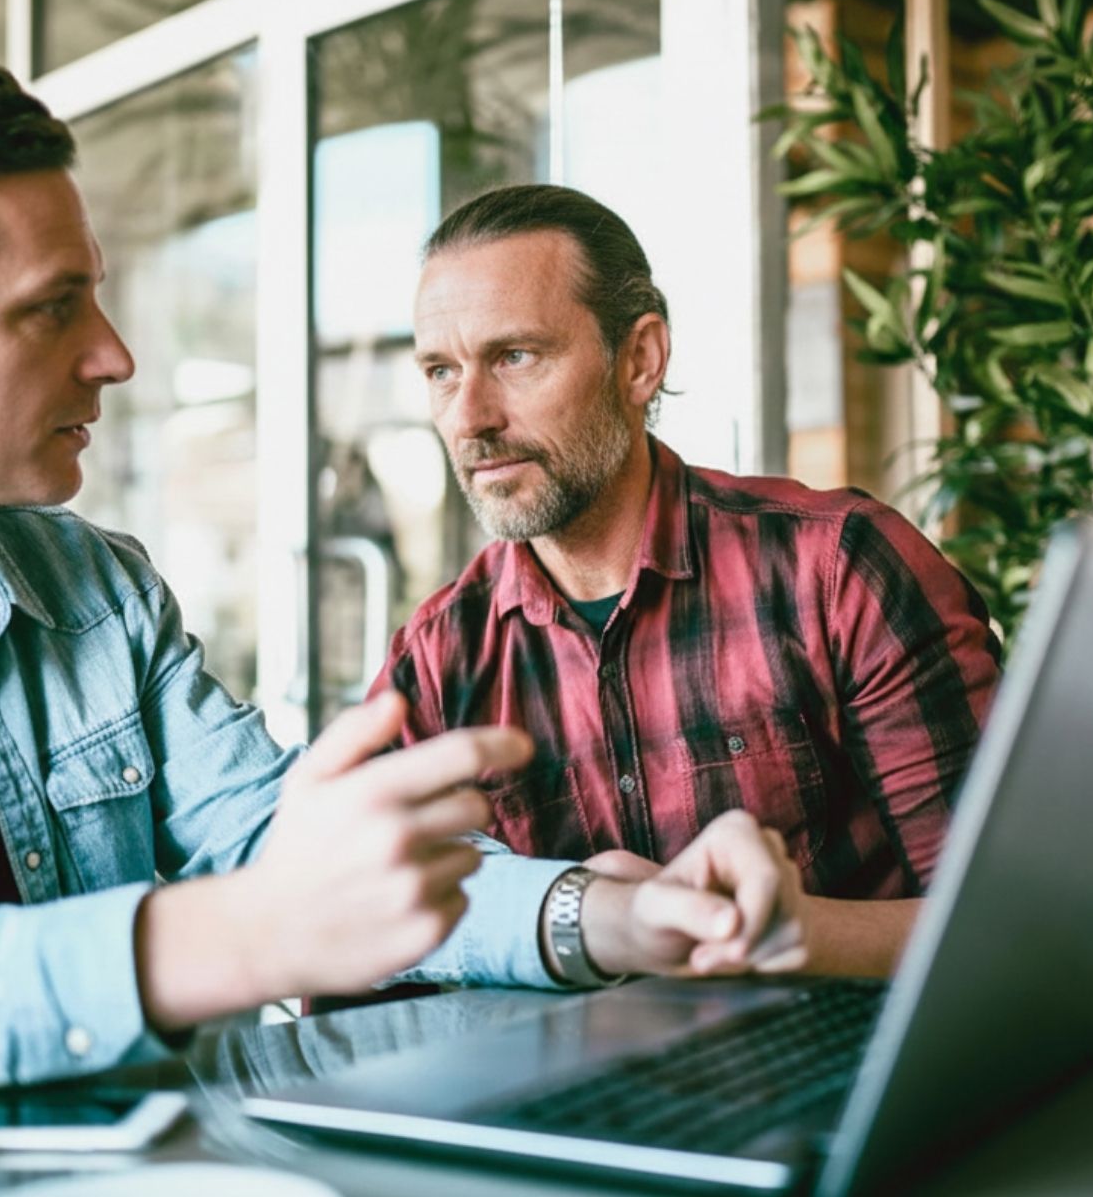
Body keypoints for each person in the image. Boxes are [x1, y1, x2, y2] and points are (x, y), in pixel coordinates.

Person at [0, 48, 806, 1146]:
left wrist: (610, 914)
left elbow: (291, 853)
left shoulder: (92, 586)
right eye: (52, 308)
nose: (114, 352)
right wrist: (237, 936)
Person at [381, 184, 1003, 980]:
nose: (469, 417)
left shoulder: (841, 569)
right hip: (569, 1101)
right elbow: (357, 955)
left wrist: (789, 934)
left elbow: (1006, 926)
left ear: (640, 360)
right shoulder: (436, 662)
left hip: (845, 1088)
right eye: (440, 370)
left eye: (515, 357)